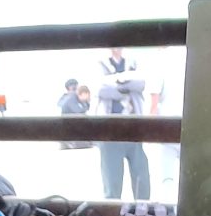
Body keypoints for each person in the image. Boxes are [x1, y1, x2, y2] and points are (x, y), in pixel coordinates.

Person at [95, 49, 150, 201]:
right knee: (112, 181)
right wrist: (125, 86)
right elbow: (100, 88)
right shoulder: (99, 62)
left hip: (133, 127)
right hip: (109, 129)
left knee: (141, 177)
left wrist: (114, 82)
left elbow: (141, 83)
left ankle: (143, 215)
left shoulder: (132, 60)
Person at [57, 74, 93, 151]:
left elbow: (84, 110)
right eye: (73, 88)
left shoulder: (74, 98)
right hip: (69, 127)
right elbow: (78, 111)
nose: (74, 90)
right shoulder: (70, 98)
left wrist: (86, 102)